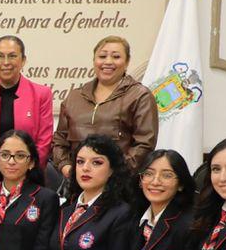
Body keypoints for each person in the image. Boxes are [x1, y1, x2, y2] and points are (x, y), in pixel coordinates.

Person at [50, 35, 157, 177]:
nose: (108, 62)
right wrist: (67, 168)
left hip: (120, 185)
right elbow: (59, 140)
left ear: (127, 62)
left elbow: (144, 144)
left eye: (116, 57)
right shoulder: (75, 97)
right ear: (94, 60)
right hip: (78, 183)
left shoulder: (140, 95)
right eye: (102, 56)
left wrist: (111, 173)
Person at [0, 36, 54, 189]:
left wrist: (29, 168)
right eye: (0, 56)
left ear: (23, 60)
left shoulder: (42, 94)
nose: (6, 62)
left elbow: (44, 139)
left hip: (28, 176)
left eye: (12, 56)